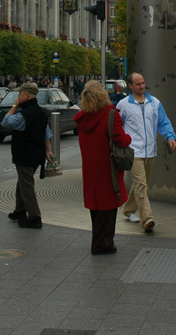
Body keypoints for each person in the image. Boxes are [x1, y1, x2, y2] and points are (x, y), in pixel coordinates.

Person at [74, 80, 132, 255]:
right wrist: (129, 139)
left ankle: (101, 241)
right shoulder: (111, 115)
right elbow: (121, 140)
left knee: (96, 206)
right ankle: (103, 243)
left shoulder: (82, 118)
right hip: (108, 167)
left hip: (90, 167)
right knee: (109, 205)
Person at [115, 72, 176, 233]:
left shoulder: (154, 103)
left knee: (142, 183)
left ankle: (129, 210)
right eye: (138, 84)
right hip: (133, 151)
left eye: (143, 83)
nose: (142, 86)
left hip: (150, 151)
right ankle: (147, 218)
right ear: (130, 86)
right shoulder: (123, 105)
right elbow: (117, 127)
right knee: (141, 184)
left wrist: (170, 137)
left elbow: (163, 122)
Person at [1, 82, 53, 229]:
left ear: (25, 95)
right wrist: (48, 150)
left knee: (26, 185)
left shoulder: (23, 114)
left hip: (24, 154)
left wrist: (14, 106)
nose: (17, 97)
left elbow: (6, 122)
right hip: (37, 155)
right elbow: (46, 132)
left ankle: (35, 217)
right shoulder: (42, 112)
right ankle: (20, 211)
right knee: (23, 182)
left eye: (19, 95)